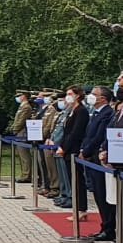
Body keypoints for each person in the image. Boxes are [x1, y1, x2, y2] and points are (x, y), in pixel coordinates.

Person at [80, 85, 116, 242]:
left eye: (94, 94)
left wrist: (86, 151)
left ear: (103, 98)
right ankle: (105, 226)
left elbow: (99, 137)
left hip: (97, 159)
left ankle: (109, 228)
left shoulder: (107, 114)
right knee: (97, 194)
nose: (90, 96)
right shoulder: (95, 114)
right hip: (92, 159)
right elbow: (88, 135)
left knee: (102, 195)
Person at [53, 85, 89, 213]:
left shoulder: (81, 111)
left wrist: (64, 147)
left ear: (77, 95)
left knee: (78, 180)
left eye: (70, 93)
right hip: (67, 149)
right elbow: (66, 131)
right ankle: (76, 207)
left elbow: (76, 132)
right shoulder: (71, 110)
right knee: (72, 179)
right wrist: (61, 145)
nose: (67, 96)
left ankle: (81, 209)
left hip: (74, 149)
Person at [8, 91, 34, 183]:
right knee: (21, 155)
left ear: (24, 96)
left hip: (22, 133)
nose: (17, 97)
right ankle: (24, 174)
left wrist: (14, 130)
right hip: (19, 133)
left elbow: (21, 121)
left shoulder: (26, 107)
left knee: (24, 156)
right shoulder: (22, 106)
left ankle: (27, 175)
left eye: (19, 96)